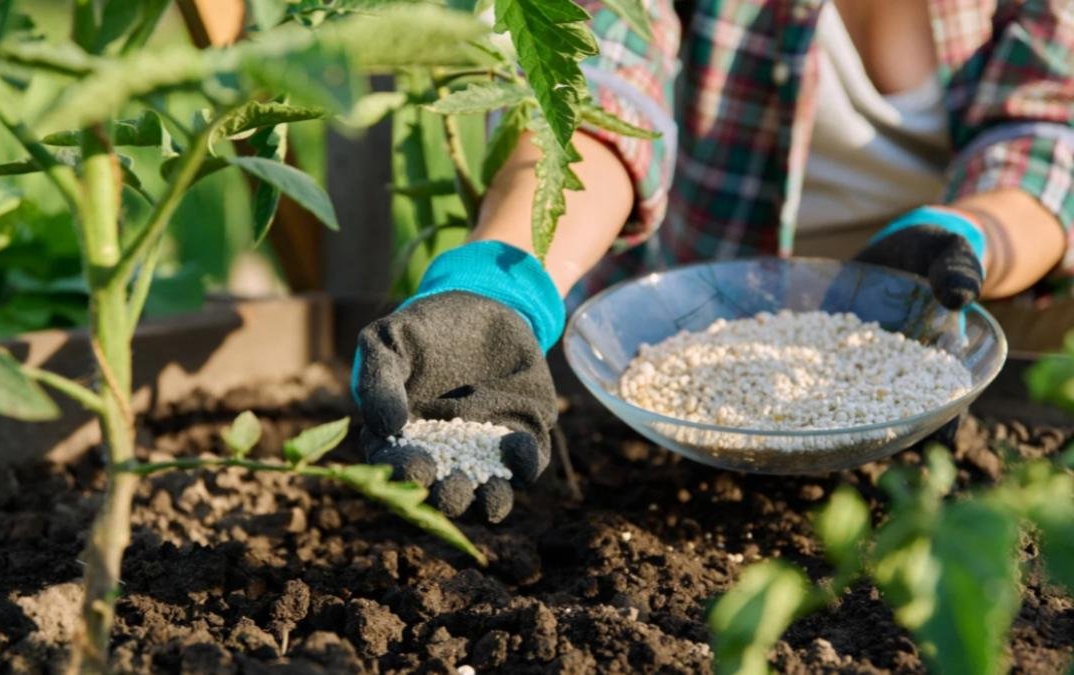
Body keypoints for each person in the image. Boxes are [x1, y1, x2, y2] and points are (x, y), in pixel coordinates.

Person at [353, 0, 1074, 522]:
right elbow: (598, 89)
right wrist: (503, 282)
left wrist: (969, 235)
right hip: (677, 340)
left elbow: (1048, 125)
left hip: (929, 333)